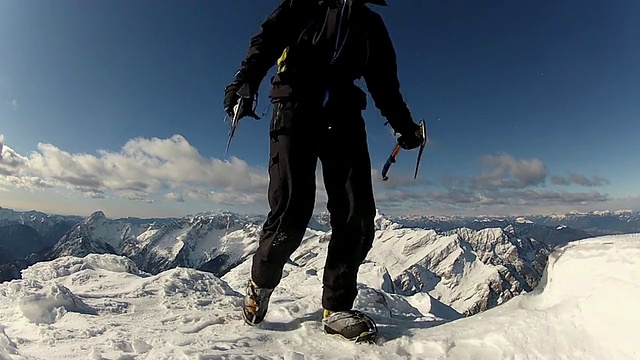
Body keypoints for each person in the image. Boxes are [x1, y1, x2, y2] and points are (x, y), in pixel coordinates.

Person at [223, 0, 424, 341]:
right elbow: (268, 40)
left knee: (356, 212)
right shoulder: (304, 3)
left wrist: (403, 127)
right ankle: (261, 284)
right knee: (291, 205)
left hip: (344, 113)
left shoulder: (369, 24)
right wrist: (245, 79)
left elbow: (383, 81)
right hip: (294, 104)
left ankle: (337, 307)